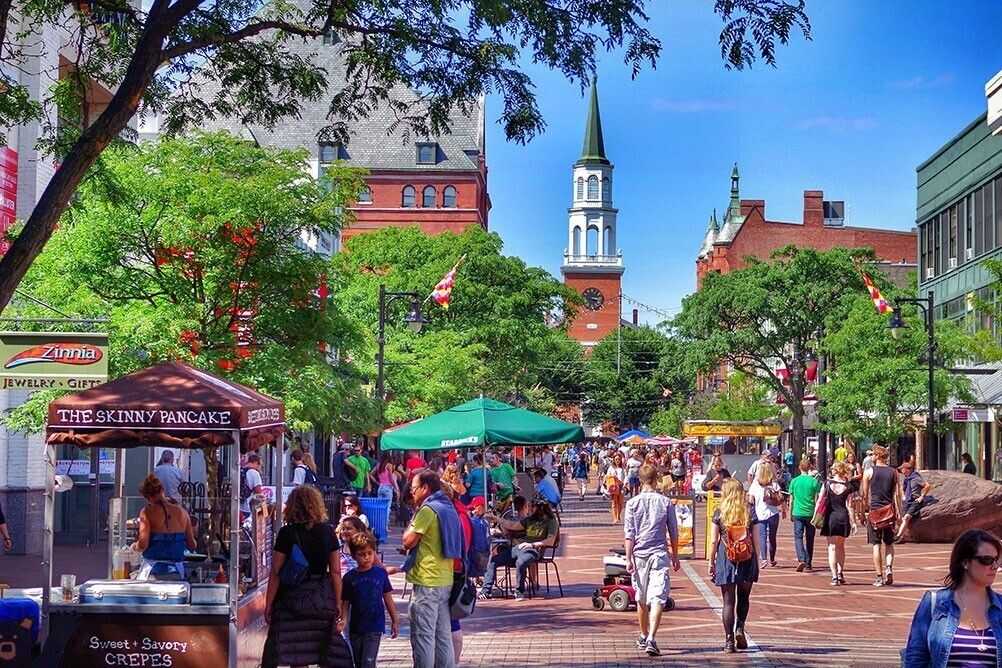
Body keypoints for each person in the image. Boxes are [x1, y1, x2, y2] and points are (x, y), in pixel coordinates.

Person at [262, 485, 350, 668]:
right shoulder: (327, 532)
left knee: (296, 652)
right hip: (320, 598)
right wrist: (337, 601)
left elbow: (276, 572)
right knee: (318, 649)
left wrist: (269, 603)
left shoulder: (287, 534)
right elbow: (335, 571)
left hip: (290, 598)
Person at [902, 529, 1002, 667]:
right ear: (965, 562)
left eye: (996, 559)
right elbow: (915, 658)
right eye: (987, 560)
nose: (995, 566)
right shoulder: (934, 603)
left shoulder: (1000, 607)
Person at [402, 470, 463, 668]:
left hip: (427, 580)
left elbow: (407, 541)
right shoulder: (448, 507)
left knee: (423, 637)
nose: (412, 493)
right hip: (445, 579)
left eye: (414, 489)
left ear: (425, 488)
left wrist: (414, 517)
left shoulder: (428, 510)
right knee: (443, 636)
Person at [624, 464, 681, 658]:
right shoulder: (665, 502)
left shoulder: (632, 504)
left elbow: (629, 534)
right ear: (656, 479)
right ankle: (651, 638)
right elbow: (673, 532)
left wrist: (628, 557)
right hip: (659, 553)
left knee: (641, 596)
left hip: (639, 555)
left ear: (640, 480)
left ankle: (643, 634)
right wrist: (675, 555)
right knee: (658, 597)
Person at [708, 478, 760, 654]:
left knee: (728, 602)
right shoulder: (749, 512)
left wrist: (711, 562)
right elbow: (757, 539)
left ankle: (729, 641)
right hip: (747, 557)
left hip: (726, 558)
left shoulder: (719, 513)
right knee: (744, 597)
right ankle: (740, 627)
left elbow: (714, 540)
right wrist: (758, 559)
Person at [341, 532, 399, 668]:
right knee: (358, 661)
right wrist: (344, 620)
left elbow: (387, 598)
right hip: (356, 626)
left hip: (375, 625)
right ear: (354, 555)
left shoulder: (380, 574)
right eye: (362, 554)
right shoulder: (349, 577)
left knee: (368, 661)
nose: (366, 557)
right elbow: (345, 602)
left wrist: (395, 620)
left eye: (370, 553)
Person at [483, 497, 559, 601]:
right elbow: (512, 525)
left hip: (533, 550)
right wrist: (496, 518)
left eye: (533, 507)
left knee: (521, 562)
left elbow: (551, 540)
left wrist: (532, 545)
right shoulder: (530, 520)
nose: (531, 509)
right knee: (493, 561)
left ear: (541, 508)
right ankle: (486, 591)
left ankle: (519, 592)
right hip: (519, 548)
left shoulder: (551, 522)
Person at [133, 474, 196, 580]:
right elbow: (192, 545)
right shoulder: (183, 513)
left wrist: (134, 546)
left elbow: (143, 545)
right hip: (177, 571)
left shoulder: (146, 513)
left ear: (146, 496)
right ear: (162, 489)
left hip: (152, 571)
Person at [862, 444, 901, 587]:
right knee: (889, 543)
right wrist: (899, 514)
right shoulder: (893, 472)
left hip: (875, 512)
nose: (872, 456)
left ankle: (879, 576)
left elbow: (865, 495)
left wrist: (863, 512)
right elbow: (897, 494)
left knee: (876, 544)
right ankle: (889, 567)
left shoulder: (869, 472)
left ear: (878, 456)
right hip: (889, 512)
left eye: (873, 454)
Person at [820, 461, 858, 586]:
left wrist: (816, 517)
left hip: (831, 517)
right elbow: (850, 506)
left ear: (835, 470)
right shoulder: (848, 486)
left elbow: (820, 501)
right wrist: (854, 523)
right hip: (843, 517)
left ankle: (834, 576)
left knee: (831, 547)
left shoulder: (827, 483)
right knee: (841, 547)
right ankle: (841, 572)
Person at [748, 463, 784, 568]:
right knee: (772, 537)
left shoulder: (755, 484)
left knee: (762, 537)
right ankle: (772, 559)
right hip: (773, 514)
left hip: (760, 514)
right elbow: (780, 497)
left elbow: (750, 500)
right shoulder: (774, 483)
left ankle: (764, 559)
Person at [788, 458, 821, 572]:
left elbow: (791, 499)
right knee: (810, 538)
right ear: (809, 468)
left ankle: (801, 558)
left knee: (798, 537)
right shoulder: (813, 481)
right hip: (810, 512)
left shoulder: (794, 481)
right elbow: (818, 498)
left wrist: (790, 511)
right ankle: (808, 563)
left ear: (799, 468)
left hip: (797, 511)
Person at [895, 461, 932, 543]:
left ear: (906, 469)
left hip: (915, 501)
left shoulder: (916, 478)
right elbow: (902, 488)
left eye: (902, 469)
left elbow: (927, 485)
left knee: (906, 518)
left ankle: (898, 536)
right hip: (907, 501)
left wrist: (922, 496)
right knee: (903, 519)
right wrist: (904, 496)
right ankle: (901, 537)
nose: (901, 471)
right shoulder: (906, 479)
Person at [605, 452, 627, 524]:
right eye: (616, 459)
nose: (617, 461)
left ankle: (618, 516)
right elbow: (607, 476)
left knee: (620, 503)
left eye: (619, 459)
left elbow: (626, 476)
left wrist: (625, 483)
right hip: (614, 487)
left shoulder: (623, 468)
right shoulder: (611, 468)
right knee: (614, 503)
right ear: (614, 460)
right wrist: (612, 477)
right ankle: (615, 518)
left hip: (621, 486)